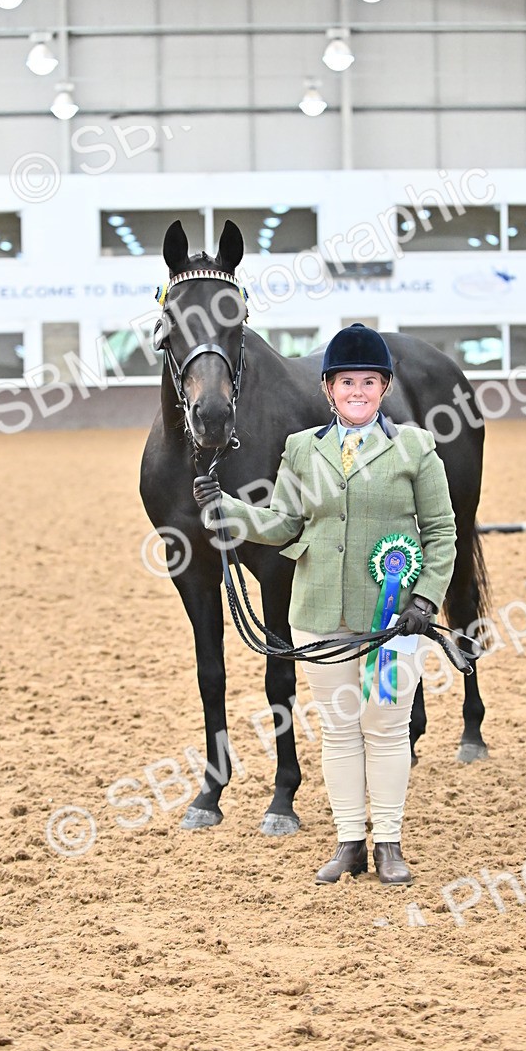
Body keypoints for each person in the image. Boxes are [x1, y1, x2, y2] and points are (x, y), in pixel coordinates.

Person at [193, 323, 456, 886]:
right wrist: (230, 511)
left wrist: (427, 599)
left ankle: (388, 842)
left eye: (368, 381)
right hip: (317, 614)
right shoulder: (301, 449)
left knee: (384, 728)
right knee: (338, 730)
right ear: (329, 389)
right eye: (345, 382)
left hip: (393, 616)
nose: (356, 391)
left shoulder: (416, 448)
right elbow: (284, 523)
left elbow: (442, 531)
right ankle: (349, 842)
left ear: (383, 388)